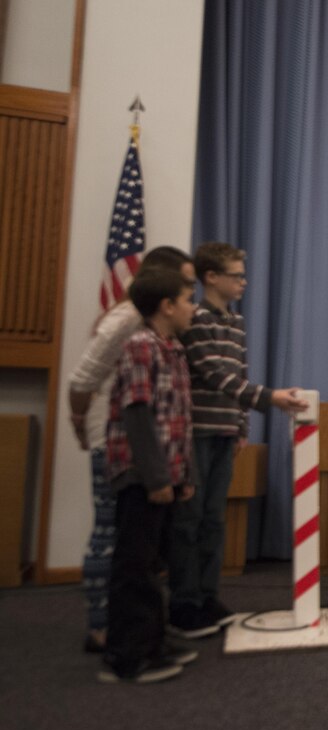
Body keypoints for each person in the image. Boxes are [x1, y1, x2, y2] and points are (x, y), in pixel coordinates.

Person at [169, 242, 308, 639]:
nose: (243, 282)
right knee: (188, 522)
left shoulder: (235, 323)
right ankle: (183, 603)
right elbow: (215, 375)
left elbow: (240, 372)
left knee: (213, 521)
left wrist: (242, 425)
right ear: (211, 277)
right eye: (236, 275)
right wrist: (270, 399)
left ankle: (207, 596)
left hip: (225, 433)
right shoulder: (195, 320)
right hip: (196, 433)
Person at [68, 247, 196, 654]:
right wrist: (79, 427)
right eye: (187, 285)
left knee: (144, 547)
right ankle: (105, 628)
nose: (191, 294)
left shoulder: (166, 337)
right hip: (119, 439)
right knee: (115, 538)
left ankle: (141, 628)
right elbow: (83, 378)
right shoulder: (128, 324)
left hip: (154, 445)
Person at [99, 267, 198, 683]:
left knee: (155, 564)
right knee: (134, 567)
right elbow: (138, 416)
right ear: (167, 305)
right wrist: (157, 477)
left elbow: (179, 418)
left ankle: (152, 639)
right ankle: (129, 656)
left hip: (166, 476)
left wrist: (184, 474)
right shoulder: (140, 346)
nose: (194, 308)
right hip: (142, 477)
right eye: (188, 300)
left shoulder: (172, 348)